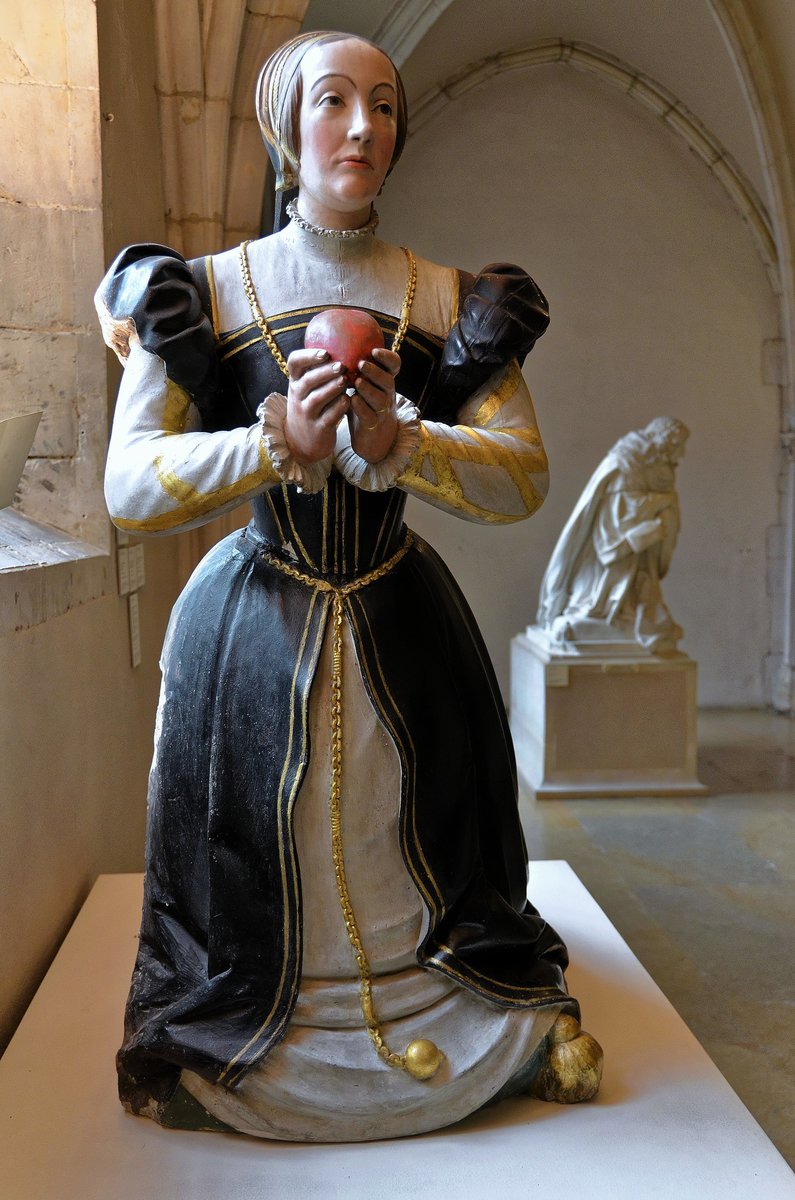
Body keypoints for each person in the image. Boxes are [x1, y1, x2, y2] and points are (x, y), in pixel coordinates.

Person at [96, 30, 599, 1142]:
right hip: (248, 628)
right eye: (333, 102)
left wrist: (401, 443)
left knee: (413, 830)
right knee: (254, 842)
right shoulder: (207, 291)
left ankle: (436, 1004)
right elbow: (130, 487)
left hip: (400, 617)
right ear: (286, 127)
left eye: (382, 105)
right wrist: (269, 442)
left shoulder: (449, 296)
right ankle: (257, 1019)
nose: (363, 127)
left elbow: (523, 477)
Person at [537, 417, 689, 655]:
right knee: (603, 590)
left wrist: (663, 513)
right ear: (666, 442)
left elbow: (658, 506)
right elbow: (617, 521)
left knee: (641, 592)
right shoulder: (626, 461)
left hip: (641, 554)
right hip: (615, 550)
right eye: (680, 446)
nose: (682, 455)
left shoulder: (662, 468)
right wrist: (659, 509)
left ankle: (624, 614)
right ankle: (597, 611)